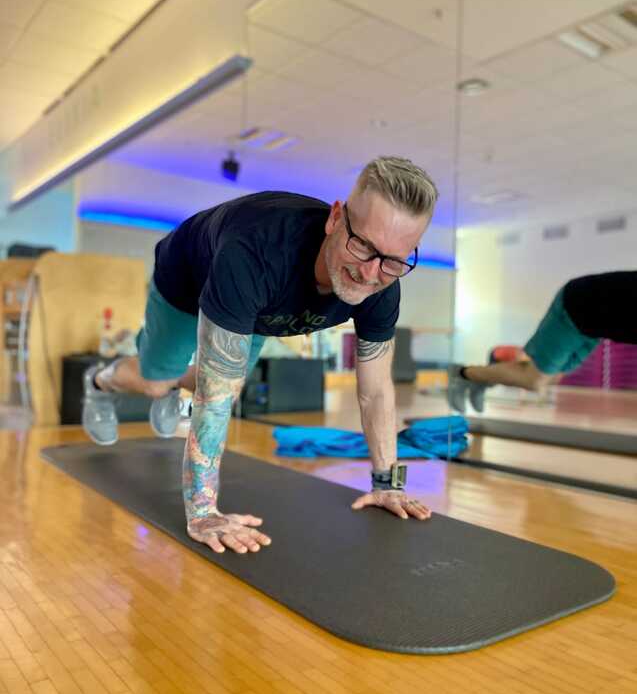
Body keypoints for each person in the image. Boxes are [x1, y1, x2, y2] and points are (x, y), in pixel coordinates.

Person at [82, 156, 439, 554]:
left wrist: (387, 484)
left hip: (254, 309)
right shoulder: (255, 253)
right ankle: (100, 381)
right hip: (186, 279)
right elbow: (214, 398)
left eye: (392, 260)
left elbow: (376, 391)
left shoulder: (384, 284)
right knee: (157, 381)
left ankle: (171, 385)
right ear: (335, 219)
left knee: (217, 383)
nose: (372, 273)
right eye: (363, 247)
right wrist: (203, 512)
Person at [449, 270, 637, 413]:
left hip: (594, 326)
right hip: (576, 308)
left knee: (554, 378)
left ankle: (481, 380)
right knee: (534, 380)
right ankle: (462, 374)